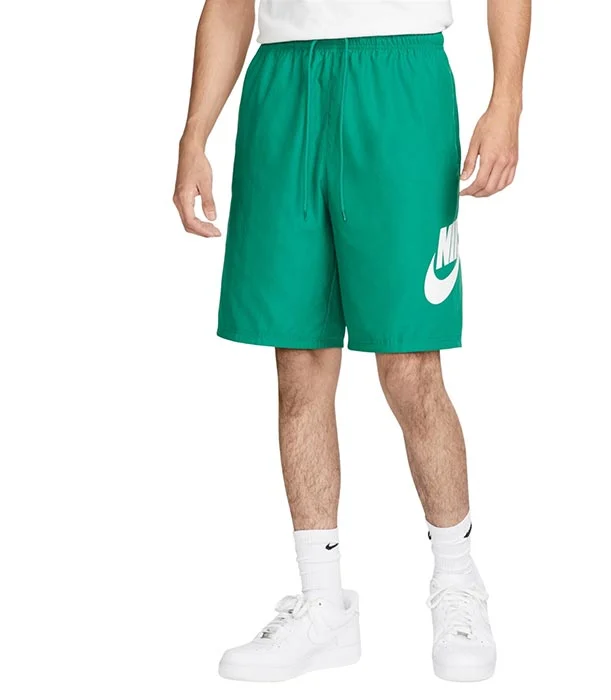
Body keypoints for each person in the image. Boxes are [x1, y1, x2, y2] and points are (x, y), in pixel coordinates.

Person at [174, 0, 530, 683]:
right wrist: (195, 135)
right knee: (299, 359)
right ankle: (322, 603)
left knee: (409, 364)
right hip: (283, 82)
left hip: (399, 79)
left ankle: (458, 582)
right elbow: (229, 6)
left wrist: (506, 100)